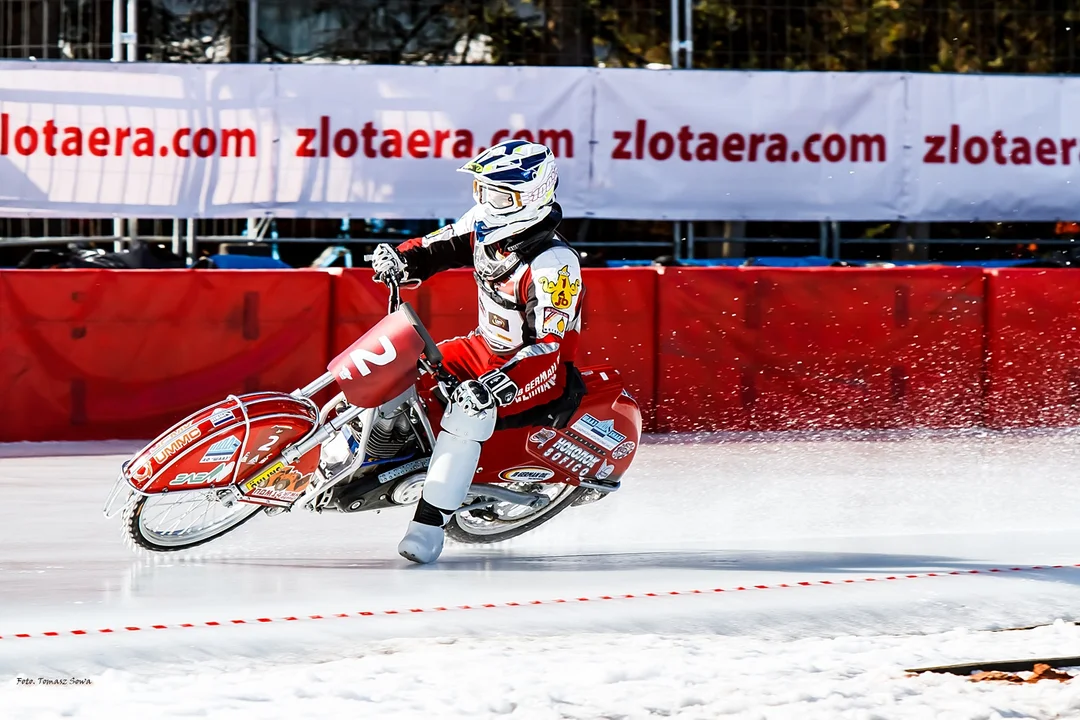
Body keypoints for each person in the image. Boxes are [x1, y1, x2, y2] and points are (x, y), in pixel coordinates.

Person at [370, 140, 584, 564]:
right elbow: (440, 245)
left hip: (533, 370)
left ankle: (427, 528)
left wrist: (500, 382)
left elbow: (549, 344)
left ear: (532, 196)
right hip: (483, 347)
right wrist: (400, 259)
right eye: (481, 190)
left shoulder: (554, 263)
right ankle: (376, 450)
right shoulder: (485, 222)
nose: (486, 201)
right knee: (396, 359)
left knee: (467, 411)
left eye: (499, 194)